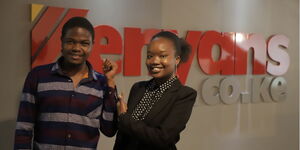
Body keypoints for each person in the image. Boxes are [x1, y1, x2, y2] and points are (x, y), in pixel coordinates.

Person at [14, 17, 119, 149]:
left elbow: (109, 130)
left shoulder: (103, 83)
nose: (76, 48)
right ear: (61, 41)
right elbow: (24, 127)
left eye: (84, 43)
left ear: (92, 44)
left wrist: (110, 82)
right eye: (70, 42)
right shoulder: (38, 76)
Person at [114, 31, 197, 150]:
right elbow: (123, 135)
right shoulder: (138, 87)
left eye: (162, 56)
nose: (154, 61)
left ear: (177, 59)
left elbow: (162, 138)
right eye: (149, 56)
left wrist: (124, 117)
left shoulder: (184, 95)